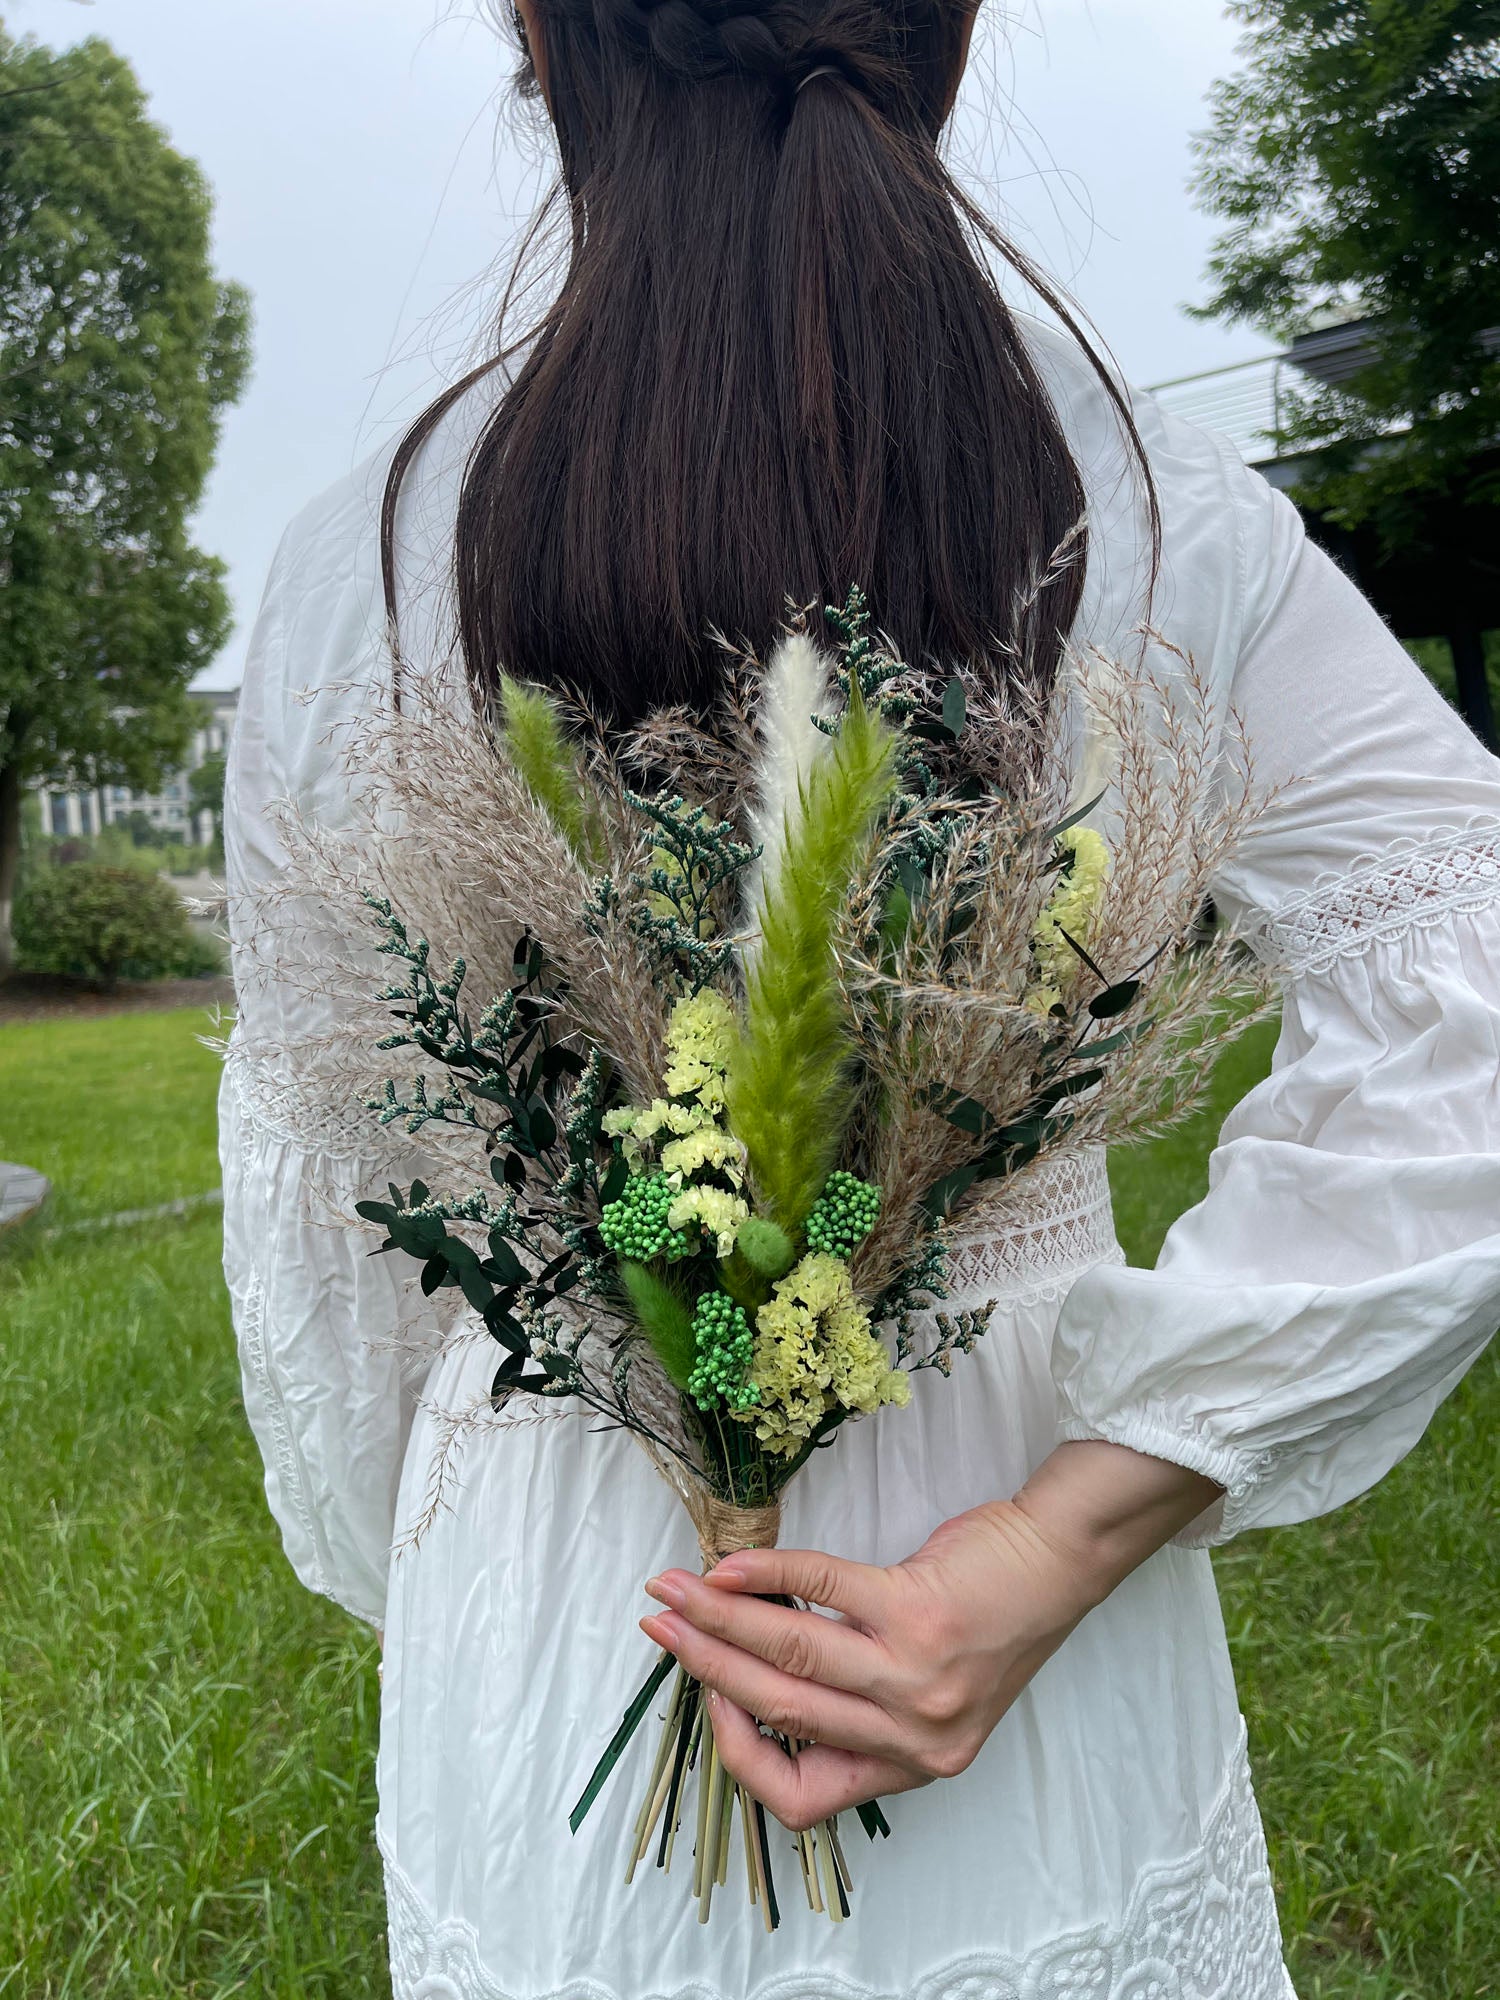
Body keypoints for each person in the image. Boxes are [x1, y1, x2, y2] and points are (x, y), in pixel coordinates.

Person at [219, 2, 1500, 1995]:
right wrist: (1069, 1534)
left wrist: (459, 1537)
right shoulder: (1148, 504)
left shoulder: (358, 563)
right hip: (1012, 1539)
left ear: (542, 36)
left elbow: (332, 1172)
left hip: (578, 1559)